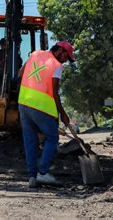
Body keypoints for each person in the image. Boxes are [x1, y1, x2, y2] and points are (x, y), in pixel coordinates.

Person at [18, 41, 74, 187]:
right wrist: (63, 114)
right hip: (41, 107)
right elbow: (55, 92)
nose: (66, 60)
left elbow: (20, 74)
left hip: (23, 104)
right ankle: (42, 173)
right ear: (60, 50)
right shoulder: (56, 65)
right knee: (52, 137)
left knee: (30, 141)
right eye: (66, 56)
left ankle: (32, 177)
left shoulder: (35, 54)